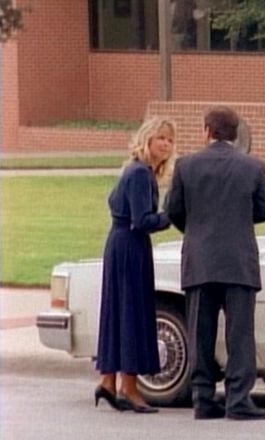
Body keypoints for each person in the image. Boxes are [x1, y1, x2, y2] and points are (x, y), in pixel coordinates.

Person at [165, 105, 265, 421]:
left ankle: (203, 398)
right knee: (240, 334)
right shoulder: (252, 167)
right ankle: (239, 399)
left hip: (200, 260)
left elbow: (173, 209)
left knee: (200, 332)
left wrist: (197, 228)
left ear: (206, 130)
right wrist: (239, 219)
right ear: (235, 132)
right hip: (239, 260)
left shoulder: (186, 166)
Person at [94, 117, 176, 413]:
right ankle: (128, 388)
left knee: (118, 311)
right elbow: (143, 220)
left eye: (169, 140)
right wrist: (173, 214)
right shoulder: (141, 174)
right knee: (130, 312)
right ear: (147, 140)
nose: (165, 144)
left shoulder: (135, 171)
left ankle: (108, 381)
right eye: (160, 138)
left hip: (120, 244)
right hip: (130, 245)